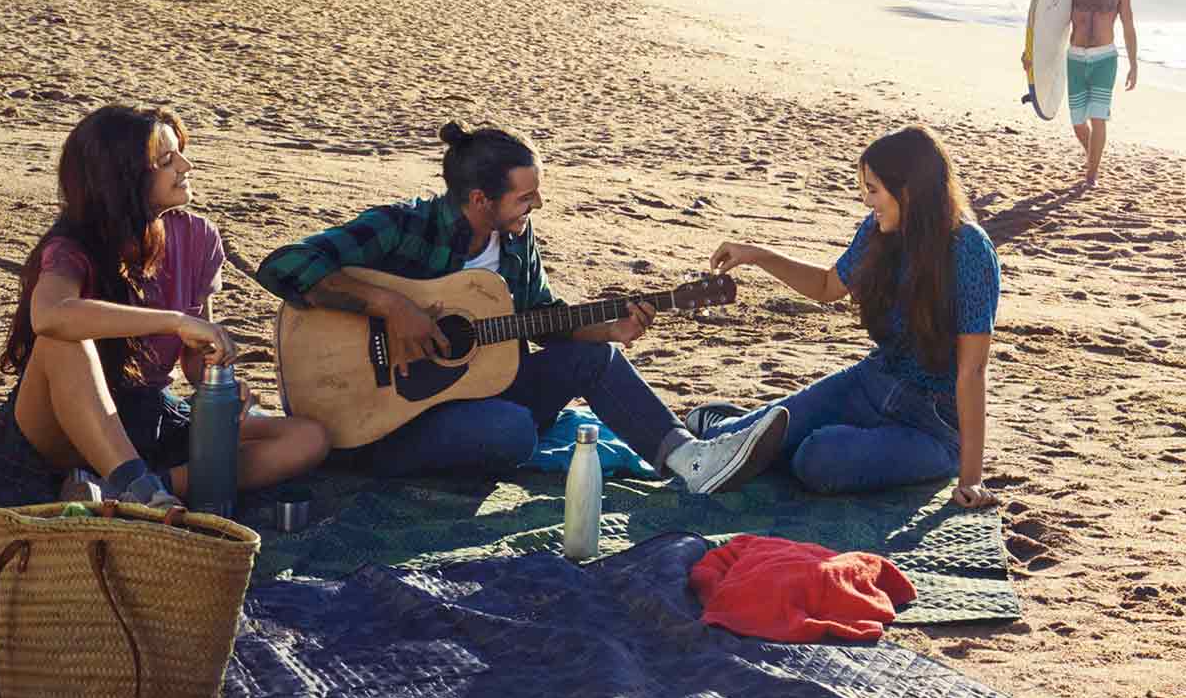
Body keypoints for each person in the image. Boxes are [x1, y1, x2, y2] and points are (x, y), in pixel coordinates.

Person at [255, 122, 787, 493]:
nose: (536, 207)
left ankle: (689, 459)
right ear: (480, 199)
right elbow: (284, 264)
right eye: (524, 198)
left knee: (591, 363)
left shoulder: (515, 240)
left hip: (468, 397)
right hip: (376, 424)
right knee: (510, 433)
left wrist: (608, 330)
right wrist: (389, 304)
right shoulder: (405, 225)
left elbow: (542, 318)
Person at [0, 106, 329, 507]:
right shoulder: (72, 247)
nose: (186, 166)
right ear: (124, 178)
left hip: (146, 417)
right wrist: (173, 322)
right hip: (60, 426)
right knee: (64, 339)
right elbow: (49, 316)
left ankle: (144, 488)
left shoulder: (198, 237)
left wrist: (216, 378)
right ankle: (140, 488)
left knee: (307, 438)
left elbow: (192, 357)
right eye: (167, 160)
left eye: (181, 153)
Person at [687, 126, 1000, 509]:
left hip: (931, 424)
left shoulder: (969, 250)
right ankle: (738, 422)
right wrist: (758, 255)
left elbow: (973, 371)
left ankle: (797, 439)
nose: (867, 201)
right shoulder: (879, 231)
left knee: (816, 460)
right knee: (726, 441)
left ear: (908, 190)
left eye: (873, 189)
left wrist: (972, 480)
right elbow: (825, 286)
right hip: (870, 383)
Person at [1068, 0, 1139, 189]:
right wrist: (1032, 54)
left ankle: (1091, 175)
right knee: (1077, 122)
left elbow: (1129, 27)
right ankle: (1094, 158)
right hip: (1075, 57)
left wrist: (1134, 64)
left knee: (1098, 117)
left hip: (1104, 59)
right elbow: (1052, 23)